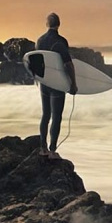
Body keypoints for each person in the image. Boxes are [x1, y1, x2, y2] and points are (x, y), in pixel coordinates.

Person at [37, 12, 77, 158]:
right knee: (56, 116)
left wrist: (39, 79)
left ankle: (43, 148)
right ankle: (52, 151)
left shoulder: (40, 41)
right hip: (57, 84)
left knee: (45, 115)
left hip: (44, 82)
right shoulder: (60, 41)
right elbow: (68, 64)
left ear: (47, 24)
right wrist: (73, 83)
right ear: (59, 24)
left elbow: (36, 62)